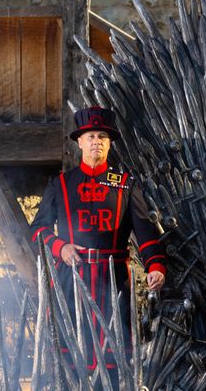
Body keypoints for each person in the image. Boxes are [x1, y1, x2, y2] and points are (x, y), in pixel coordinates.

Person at [29, 106, 165, 371]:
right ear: (79, 141)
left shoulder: (126, 184)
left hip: (113, 280)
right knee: (69, 361)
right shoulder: (60, 183)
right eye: (90, 136)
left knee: (114, 362)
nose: (96, 142)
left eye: (102, 137)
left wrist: (156, 267)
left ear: (110, 143)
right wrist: (60, 247)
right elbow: (38, 229)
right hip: (71, 277)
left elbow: (146, 233)